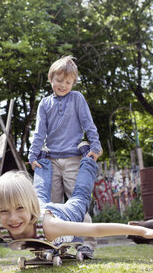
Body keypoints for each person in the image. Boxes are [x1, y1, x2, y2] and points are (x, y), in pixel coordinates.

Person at [0, 157, 153, 245]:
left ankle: (89, 160)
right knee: (40, 189)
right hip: (39, 207)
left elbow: (95, 229)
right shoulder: (0, 224)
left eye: (18, 209)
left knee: (79, 196)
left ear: (28, 207)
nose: (12, 219)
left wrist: (141, 231)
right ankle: (43, 159)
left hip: (59, 214)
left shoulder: (50, 227)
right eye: (4, 212)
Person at [28, 55, 103, 256]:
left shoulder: (77, 99)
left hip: (73, 160)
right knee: (50, 207)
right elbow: (39, 132)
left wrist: (95, 147)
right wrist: (32, 155)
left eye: (68, 82)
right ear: (51, 78)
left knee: (77, 201)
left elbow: (89, 124)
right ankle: (54, 244)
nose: (63, 85)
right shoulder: (45, 104)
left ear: (73, 83)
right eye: (59, 80)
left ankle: (86, 243)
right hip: (50, 161)